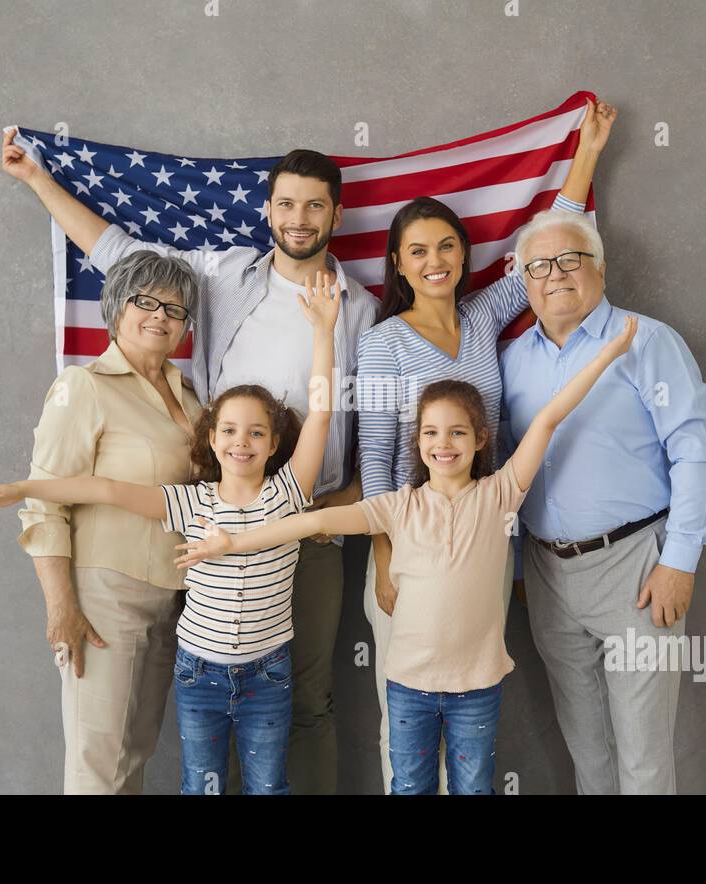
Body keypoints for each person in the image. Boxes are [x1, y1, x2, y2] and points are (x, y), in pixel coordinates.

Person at [2, 133, 378, 793]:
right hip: (212, 529)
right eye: (286, 204)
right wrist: (39, 181)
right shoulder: (225, 276)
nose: (299, 219)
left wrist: (337, 510)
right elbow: (124, 257)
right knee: (222, 701)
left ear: (335, 216)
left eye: (314, 206)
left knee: (305, 701)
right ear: (267, 211)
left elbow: (365, 427)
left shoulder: (363, 311)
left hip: (308, 525)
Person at [176, 316, 638, 794]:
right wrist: (232, 542)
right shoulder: (398, 506)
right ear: (418, 442)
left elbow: (547, 418)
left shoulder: (501, 494)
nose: (443, 444)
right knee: (409, 787)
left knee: (473, 788)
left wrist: (607, 354)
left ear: (480, 439)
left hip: (476, 687)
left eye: (458, 433)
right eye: (431, 433)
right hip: (409, 687)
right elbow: (313, 522)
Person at [0, 274, 341, 794]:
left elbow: (320, 412)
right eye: (229, 431)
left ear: (276, 442)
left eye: (256, 432)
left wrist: (325, 332)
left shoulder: (282, 488)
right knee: (141, 769)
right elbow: (108, 489)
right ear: (210, 438)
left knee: (222, 773)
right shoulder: (189, 496)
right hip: (165, 643)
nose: (241, 442)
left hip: (246, 657)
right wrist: (23, 487)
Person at [355, 98, 618, 792]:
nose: (435, 260)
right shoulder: (381, 345)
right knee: (407, 724)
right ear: (399, 264)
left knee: (470, 713)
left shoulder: (484, 315)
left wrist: (585, 154)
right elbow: (376, 458)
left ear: (462, 253)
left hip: (485, 546)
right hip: (408, 548)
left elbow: (549, 247)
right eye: (419, 251)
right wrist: (386, 559)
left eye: (446, 246)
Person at [500, 207, 706, 794]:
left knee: (643, 755)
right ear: (524, 282)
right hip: (547, 573)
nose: (555, 274)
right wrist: (521, 567)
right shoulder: (513, 359)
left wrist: (681, 560)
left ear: (599, 269)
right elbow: (508, 471)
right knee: (587, 747)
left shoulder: (647, 341)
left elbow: (697, 451)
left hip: (637, 567)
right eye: (540, 266)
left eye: (571, 260)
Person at [10, 250, 202, 794]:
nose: (161, 316)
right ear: (117, 307)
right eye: (146, 301)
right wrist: (61, 608)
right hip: (104, 598)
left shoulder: (189, 396)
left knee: (134, 751)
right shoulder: (83, 386)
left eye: (175, 308)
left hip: (176, 598)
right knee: (99, 763)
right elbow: (44, 501)